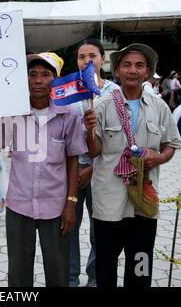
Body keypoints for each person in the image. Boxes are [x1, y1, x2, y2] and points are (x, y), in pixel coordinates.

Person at [0, 52, 87, 287]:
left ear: (55, 80)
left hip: (56, 208)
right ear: (25, 80)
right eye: (32, 74)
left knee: (58, 271)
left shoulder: (69, 116)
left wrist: (71, 205)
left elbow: (73, 161)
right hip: (19, 206)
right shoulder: (13, 112)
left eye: (45, 75)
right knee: (19, 273)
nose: (38, 80)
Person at [84, 43, 181, 287]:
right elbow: (94, 151)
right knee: (105, 265)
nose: (132, 70)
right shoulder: (102, 105)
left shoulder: (159, 107)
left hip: (144, 201)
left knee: (141, 265)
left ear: (147, 72)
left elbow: (171, 144)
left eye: (139, 65)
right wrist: (89, 130)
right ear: (116, 71)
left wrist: (158, 157)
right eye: (126, 65)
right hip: (109, 202)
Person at [68, 38, 120, 288]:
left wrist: (92, 168)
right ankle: (69, 277)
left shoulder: (114, 92)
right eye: (81, 57)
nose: (87, 61)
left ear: (102, 59)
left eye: (92, 56)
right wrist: (75, 168)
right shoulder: (68, 92)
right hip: (70, 172)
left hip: (102, 173)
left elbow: (118, 139)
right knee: (68, 227)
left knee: (100, 230)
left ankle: (95, 278)